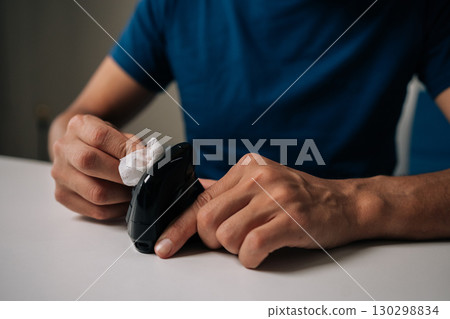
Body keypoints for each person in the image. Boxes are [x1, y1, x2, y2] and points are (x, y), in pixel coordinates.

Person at [49, 0, 450, 269]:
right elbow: (71, 121)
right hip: (192, 263)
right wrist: (78, 154)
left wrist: (352, 205)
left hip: (360, 263)